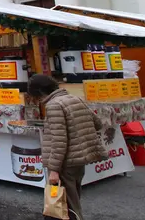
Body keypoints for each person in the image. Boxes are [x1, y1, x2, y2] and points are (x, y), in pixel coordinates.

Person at [29, 74, 106, 220]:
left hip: (65, 162)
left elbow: (59, 141)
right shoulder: (74, 99)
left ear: (40, 92)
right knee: (73, 199)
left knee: (68, 206)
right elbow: (97, 123)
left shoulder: (53, 106)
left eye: (35, 96)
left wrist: (54, 170)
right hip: (78, 160)